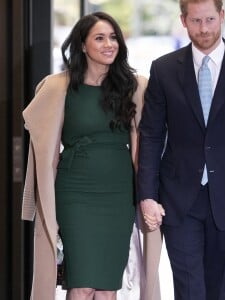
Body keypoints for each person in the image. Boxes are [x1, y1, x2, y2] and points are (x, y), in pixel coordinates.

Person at [137, 0, 225, 299]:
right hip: (177, 199)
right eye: (196, 20)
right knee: (189, 289)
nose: (204, 29)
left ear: (222, 17)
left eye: (210, 19)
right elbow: (149, 135)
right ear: (184, 20)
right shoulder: (163, 69)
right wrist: (147, 196)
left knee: (217, 290)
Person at [21, 11, 148, 300]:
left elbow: (142, 148)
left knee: (106, 288)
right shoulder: (59, 87)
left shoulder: (135, 86)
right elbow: (47, 152)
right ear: (82, 45)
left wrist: (146, 197)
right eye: (100, 38)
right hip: (75, 193)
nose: (109, 44)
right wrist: (44, 204)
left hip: (118, 194)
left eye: (113, 37)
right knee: (81, 286)